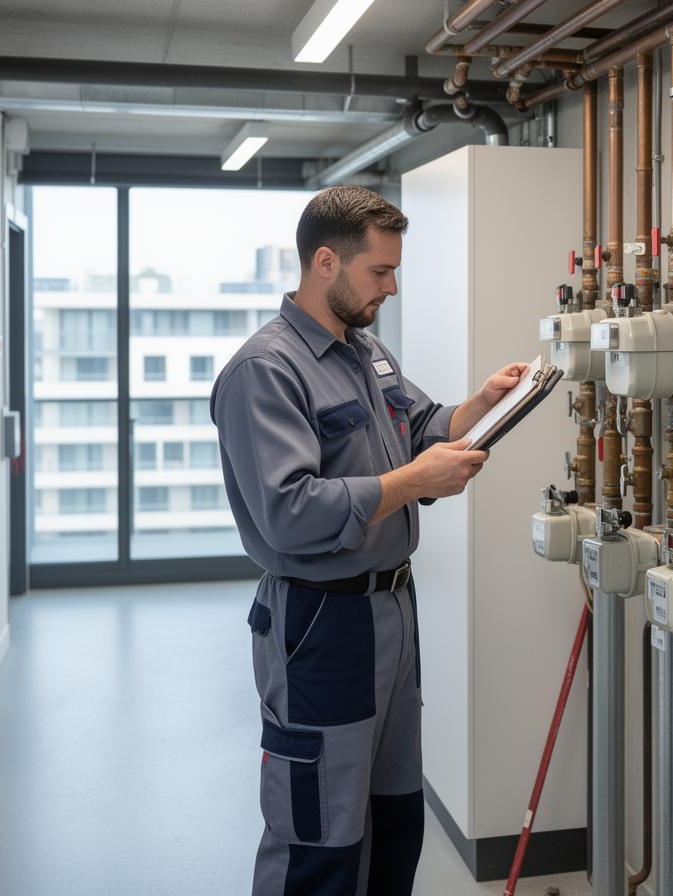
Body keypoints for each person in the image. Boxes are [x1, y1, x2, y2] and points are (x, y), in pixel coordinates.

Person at [211, 185, 527, 896]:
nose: (392, 285)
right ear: (326, 262)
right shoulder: (267, 370)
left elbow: (416, 426)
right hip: (322, 621)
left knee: (392, 822)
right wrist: (413, 483)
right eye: (379, 272)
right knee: (320, 834)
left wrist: (481, 403)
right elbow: (289, 512)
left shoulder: (365, 350)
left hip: (391, 615)